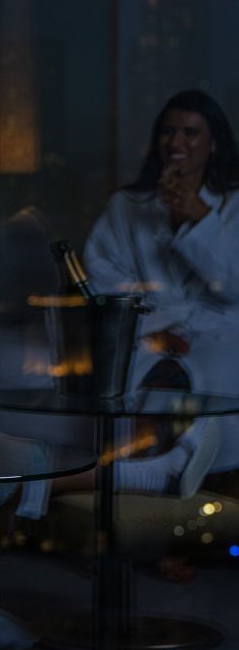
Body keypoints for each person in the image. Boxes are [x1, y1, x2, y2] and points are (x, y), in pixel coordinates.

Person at [81, 89, 239, 497]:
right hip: (150, 327)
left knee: (219, 376)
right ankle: (140, 474)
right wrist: (154, 325)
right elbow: (102, 276)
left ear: (214, 142)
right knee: (136, 374)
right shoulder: (127, 206)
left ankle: (175, 468)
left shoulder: (233, 206)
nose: (177, 142)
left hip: (220, 331)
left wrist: (197, 218)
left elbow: (233, 283)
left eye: (191, 132)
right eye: (169, 131)